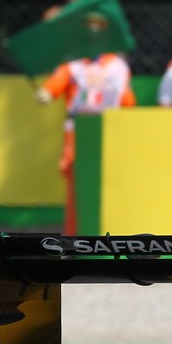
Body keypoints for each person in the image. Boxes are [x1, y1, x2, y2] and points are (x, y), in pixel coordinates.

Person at [37, 54, 136, 234]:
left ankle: (111, 234)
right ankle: (75, 238)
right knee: (77, 186)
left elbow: (127, 100)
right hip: (77, 132)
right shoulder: (74, 65)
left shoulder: (117, 65)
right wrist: (47, 92)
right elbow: (55, 84)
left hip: (109, 131)